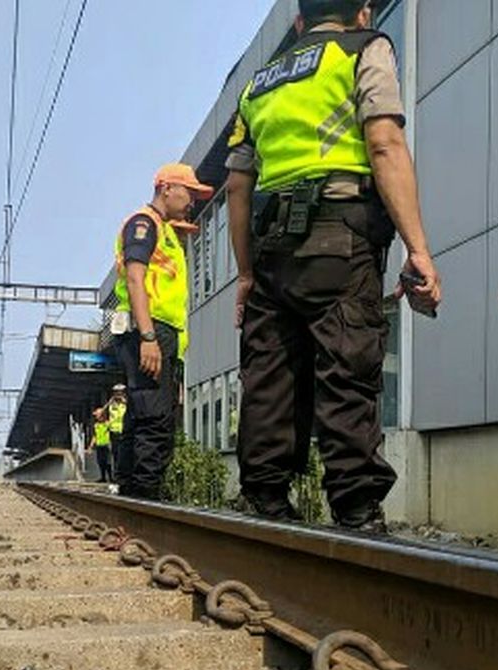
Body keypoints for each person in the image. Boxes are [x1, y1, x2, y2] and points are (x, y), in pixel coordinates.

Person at [226, 0, 441, 533]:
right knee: (346, 366)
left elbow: (237, 186)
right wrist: (418, 247)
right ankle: (356, 509)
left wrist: (246, 273)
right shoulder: (366, 48)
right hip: (340, 236)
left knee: (272, 374)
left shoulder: (259, 84)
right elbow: (385, 142)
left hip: (271, 246)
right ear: (363, 14)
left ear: (300, 23)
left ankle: (267, 500)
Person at [111, 163, 212, 499]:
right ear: (166, 188)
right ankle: (144, 501)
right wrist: (148, 337)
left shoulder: (164, 229)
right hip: (148, 331)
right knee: (154, 421)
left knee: (143, 417)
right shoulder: (144, 224)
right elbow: (136, 279)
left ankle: (133, 496)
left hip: (156, 333)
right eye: (190, 193)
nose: (192, 202)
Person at [106, 384, 127, 475]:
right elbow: (103, 413)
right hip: (113, 432)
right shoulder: (111, 405)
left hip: (124, 432)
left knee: (124, 454)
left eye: (120, 393)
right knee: (115, 454)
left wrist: (125, 402)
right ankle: (117, 474)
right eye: (116, 393)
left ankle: (123, 473)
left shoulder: (127, 404)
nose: (118, 395)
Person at [90, 407, 114, 483]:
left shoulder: (108, 424)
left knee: (108, 462)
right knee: (100, 462)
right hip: (99, 445)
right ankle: (103, 477)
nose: (96, 417)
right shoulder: (96, 425)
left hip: (106, 445)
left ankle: (110, 478)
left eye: (97, 415)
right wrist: (90, 446)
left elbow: (112, 432)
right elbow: (94, 436)